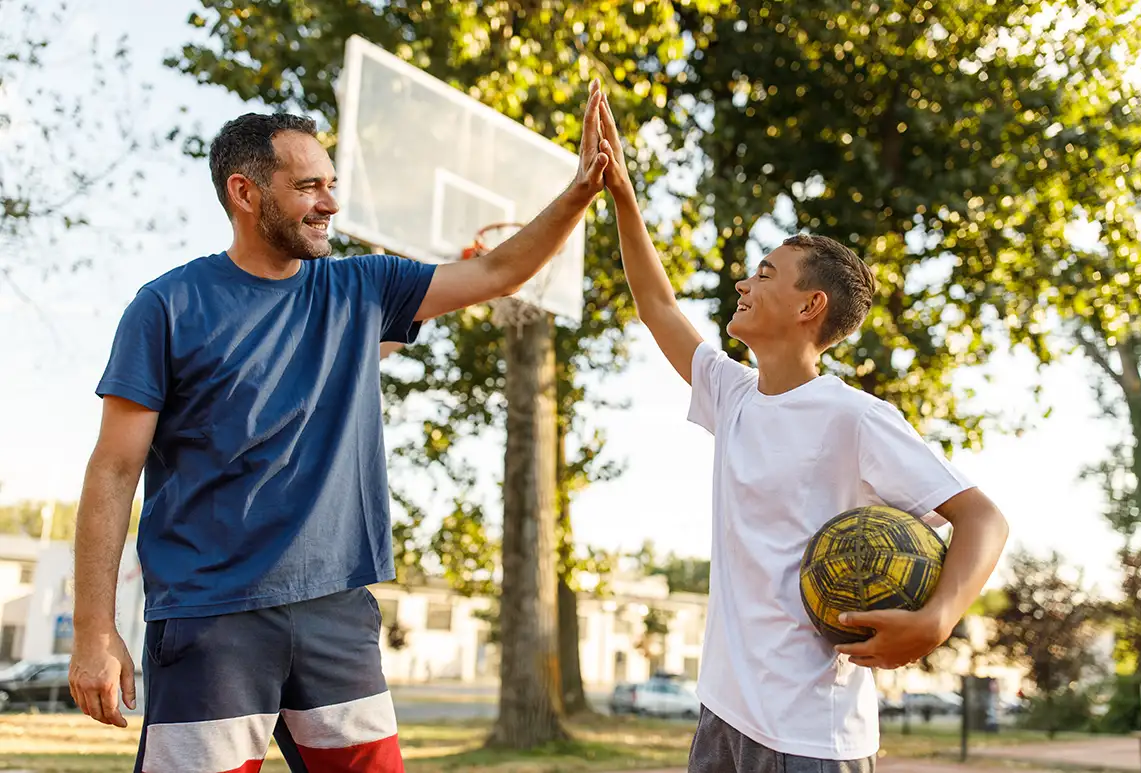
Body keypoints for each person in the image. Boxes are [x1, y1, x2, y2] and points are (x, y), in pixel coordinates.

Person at [67, 82, 610, 773]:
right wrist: (94, 627)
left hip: (336, 617)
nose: (330, 203)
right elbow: (113, 470)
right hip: (213, 620)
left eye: (331, 184)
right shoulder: (167, 307)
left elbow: (502, 269)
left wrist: (580, 189)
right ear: (245, 192)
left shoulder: (362, 290)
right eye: (308, 187)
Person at [596, 100, 1009, 772]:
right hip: (722, 716)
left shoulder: (853, 416)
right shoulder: (731, 393)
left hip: (810, 736)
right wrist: (621, 193)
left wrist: (938, 618)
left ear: (809, 305)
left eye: (764, 274)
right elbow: (656, 305)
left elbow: (983, 518)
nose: (743, 280)